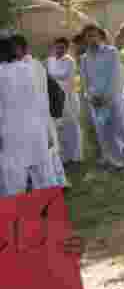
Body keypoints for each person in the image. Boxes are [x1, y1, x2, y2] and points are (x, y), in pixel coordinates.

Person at [0, 35, 85, 289]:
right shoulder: (35, 70)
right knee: (45, 246)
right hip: (40, 170)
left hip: (8, 172)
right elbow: (55, 103)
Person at [10, 34, 66, 187]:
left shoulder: (31, 66)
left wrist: (55, 114)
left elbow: (55, 91)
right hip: (37, 118)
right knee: (46, 156)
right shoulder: (29, 65)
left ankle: (53, 185)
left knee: (44, 157)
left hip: (37, 117)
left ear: (23, 49)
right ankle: (55, 184)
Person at [79, 24, 124, 170]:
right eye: (88, 36)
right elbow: (84, 80)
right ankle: (108, 157)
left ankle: (119, 161)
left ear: (100, 36)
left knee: (115, 127)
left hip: (112, 96)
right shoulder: (84, 58)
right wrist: (90, 96)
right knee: (101, 129)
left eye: (94, 35)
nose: (92, 39)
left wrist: (107, 97)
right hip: (95, 100)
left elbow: (115, 76)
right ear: (85, 39)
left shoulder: (111, 52)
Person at [46, 37, 84, 166]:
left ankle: (76, 156)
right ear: (53, 47)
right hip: (55, 98)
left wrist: (51, 77)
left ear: (67, 49)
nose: (59, 50)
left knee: (72, 126)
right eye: (57, 47)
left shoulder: (70, 61)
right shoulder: (50, 61)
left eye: (62, 48)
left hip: (69, 97)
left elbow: (65, 76)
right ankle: (63, 157)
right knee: (58, 128)